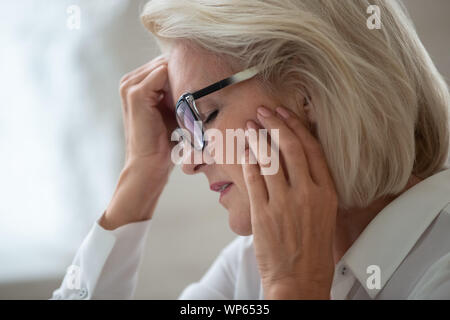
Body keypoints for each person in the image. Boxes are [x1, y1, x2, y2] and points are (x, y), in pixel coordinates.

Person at [51, 0, 450, 299]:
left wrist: (294, 288)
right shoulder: (249, 266)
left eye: (204, 115)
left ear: (305, 91)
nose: (188, 160)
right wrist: (141, 173)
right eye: (180, 122)